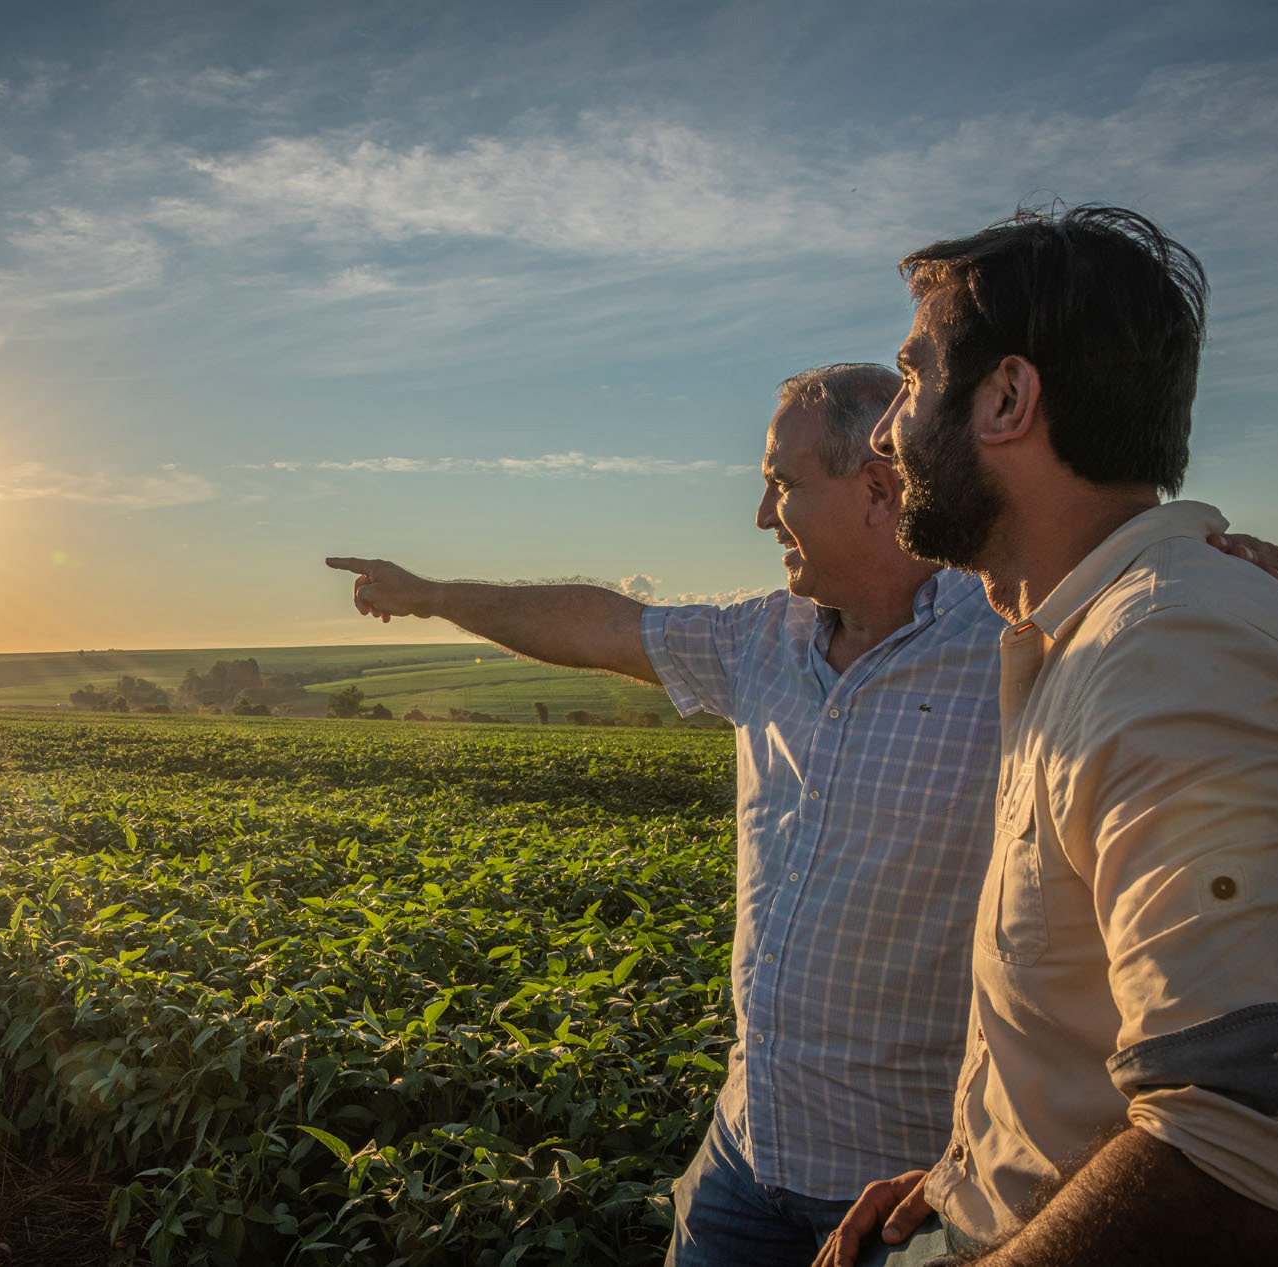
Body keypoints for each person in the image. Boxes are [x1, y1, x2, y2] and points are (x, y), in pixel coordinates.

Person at [335, 363, 1008, 1266]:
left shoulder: (1013, 644)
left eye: (782, 484)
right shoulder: (763, 637)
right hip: (744, 1154)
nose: (763, 516)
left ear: (878, 490)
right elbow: (601, 624)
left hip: (905, 1191)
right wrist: (430, 595)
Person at [815, 205, 1278, 1267]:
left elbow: (1251, 1148)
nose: (885, 431)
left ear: (1007, 398)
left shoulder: (1162, 660)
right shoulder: (1087, 640)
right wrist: (976, 1173)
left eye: (912, 379)